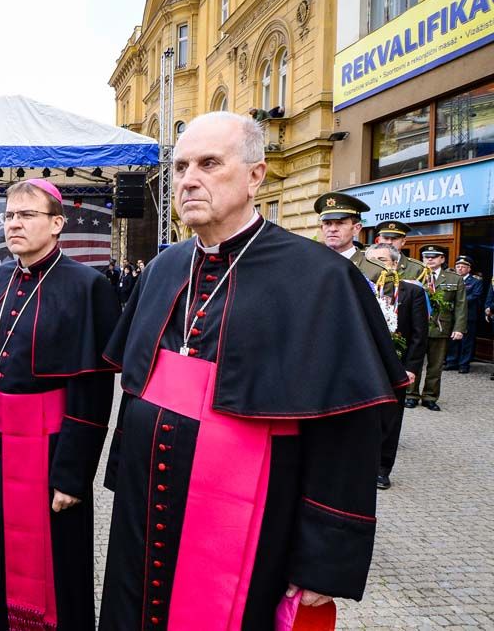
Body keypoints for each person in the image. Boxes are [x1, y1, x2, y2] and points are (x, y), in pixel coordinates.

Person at [100, 112, 407, 630]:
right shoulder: (162, 269)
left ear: (255, 176)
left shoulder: (321, 278)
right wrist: (124, 476)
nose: (188, 179)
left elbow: (347, 432)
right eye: (180, 167)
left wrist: (323, 559)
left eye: (209, 163)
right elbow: (137, 391)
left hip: (255, 516)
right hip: (147, 506)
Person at [0, 179, 120, 631]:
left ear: (56, 224)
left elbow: (92, 391)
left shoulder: (88, 286)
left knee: (55, 558)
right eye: (9, 215)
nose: (14, 224)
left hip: (52, 449)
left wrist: (73, 475)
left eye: (27, 215)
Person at [365, 244, 428, 490]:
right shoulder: (360, 289)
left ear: (394, 263)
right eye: (371, 260)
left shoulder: (411, 292)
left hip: (396, 366)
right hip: (364, 365)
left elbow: (419, 336)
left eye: (381, 260)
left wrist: (412, 368)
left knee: (390, 419)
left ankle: (382, 468)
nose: (376, 265)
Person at [406, 245, 467, 411]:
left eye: (434, 256)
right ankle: (411, 395)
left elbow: (461, 305)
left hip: (440, 327)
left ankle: (430, 397)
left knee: (436, 365)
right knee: (414, 362)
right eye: (426, 256)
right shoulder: (415, 275)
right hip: (416, 328)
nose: (430, 259)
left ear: (442, 259)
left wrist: (459, 328)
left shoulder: (454, 278)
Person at [314, 192, 385, 283]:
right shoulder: (311, 264)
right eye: (327, 223)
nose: (332, 229)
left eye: (340, 223)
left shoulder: (376, 272)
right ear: (322, 228)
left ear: (356, 229)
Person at [444, 255, 484, 373]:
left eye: (463, 266)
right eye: (458, 266)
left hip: (468, 315)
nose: (460, 268)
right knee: (453, 339)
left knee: (467, 341)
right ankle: (452, 361)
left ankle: (464, 364)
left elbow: (475, 295)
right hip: (452, 314)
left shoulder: (476, 281)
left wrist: (458, 301)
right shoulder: (452, 280)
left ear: (469, 269)